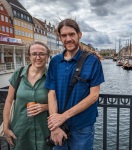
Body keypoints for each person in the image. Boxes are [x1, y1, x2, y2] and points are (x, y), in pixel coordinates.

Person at [45, 18, 105, 150]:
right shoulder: (55, 62)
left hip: (82, 125)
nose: (68, 39)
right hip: (59, 126)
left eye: (71, 34)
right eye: (64, 35)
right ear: (60, 38)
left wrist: (63, 117)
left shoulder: (92, 60)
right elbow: (52, 93)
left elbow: (94, 95)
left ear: (79, 35)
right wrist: (55, 124)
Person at [3, 41, 52, 150]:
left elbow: (59, 101)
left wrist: (45, 107)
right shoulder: (18, 74)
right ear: (29, 56)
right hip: (20, 130)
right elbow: (8, 101)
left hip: (43, 131)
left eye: (42, 54)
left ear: (47, 56)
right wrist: (6, 128)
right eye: (34, 54)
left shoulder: (51, 76)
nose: (38, 57)